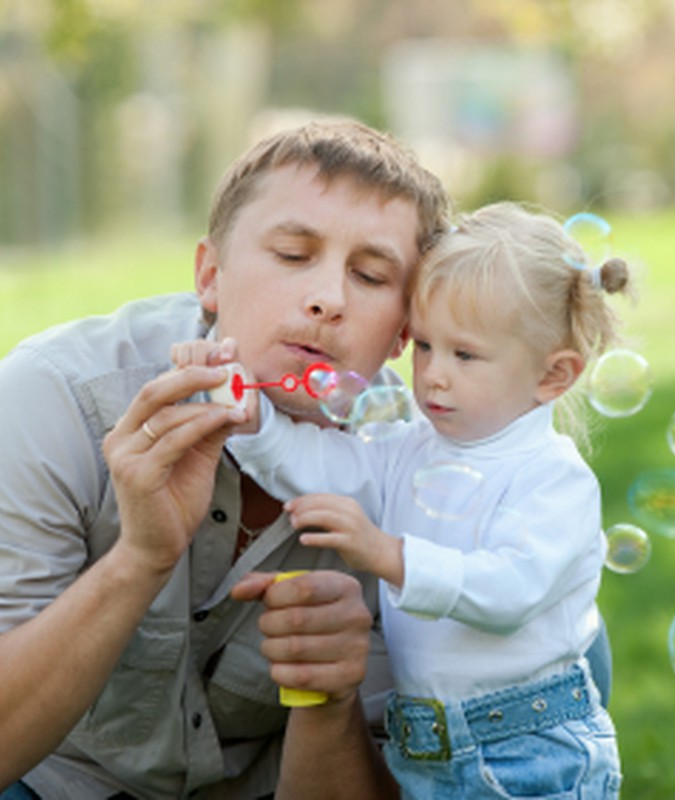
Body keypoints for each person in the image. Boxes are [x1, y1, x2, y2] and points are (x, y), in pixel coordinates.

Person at [0, 118, 451, 799]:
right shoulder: (54, 399)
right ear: (210, 276)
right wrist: (139, 559)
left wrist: (327, 699)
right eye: (294, 255)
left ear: (403, 332)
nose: (328, 298)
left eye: (370, 274)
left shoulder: (422, 473)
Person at [191, 202, 626, 798]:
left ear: (553, 376)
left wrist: (388, 554)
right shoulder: (408, 450)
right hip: (423, 745)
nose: (433, 376)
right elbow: (318, 467)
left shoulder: (553, 479)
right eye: (424, 346)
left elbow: (509, 592)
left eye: (464, 355)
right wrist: (246, 412)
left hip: (531, 749)